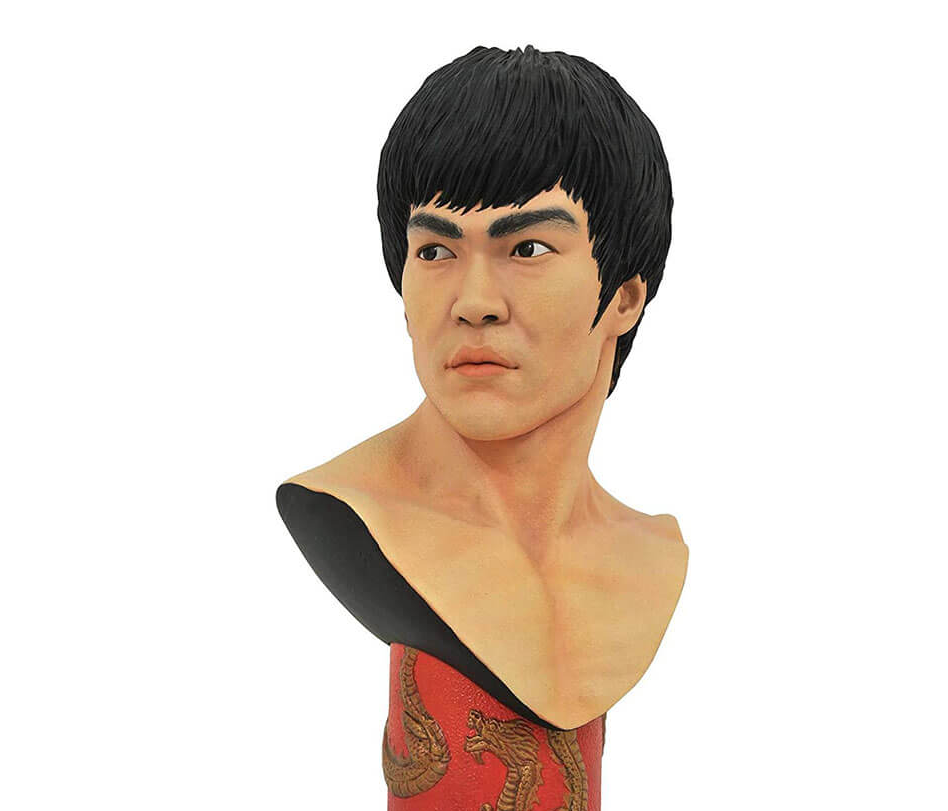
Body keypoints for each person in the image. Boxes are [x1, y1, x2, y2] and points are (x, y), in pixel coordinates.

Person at [277, 44, 688, 732]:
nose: (473, 303)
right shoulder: (352, 513)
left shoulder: (650, 554)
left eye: (526, 249)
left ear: (624, 296)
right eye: (435, 251)